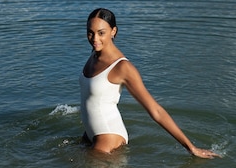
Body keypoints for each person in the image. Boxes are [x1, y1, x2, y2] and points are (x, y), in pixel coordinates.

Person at [79, 8, 220, 159]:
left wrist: (191, 147)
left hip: (108, 137)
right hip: (91, 135)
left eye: (101, 33)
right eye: (90, 32)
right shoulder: (94, 54)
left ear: (113, 31)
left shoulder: (123, 67)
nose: (94, 39)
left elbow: (155, 111)